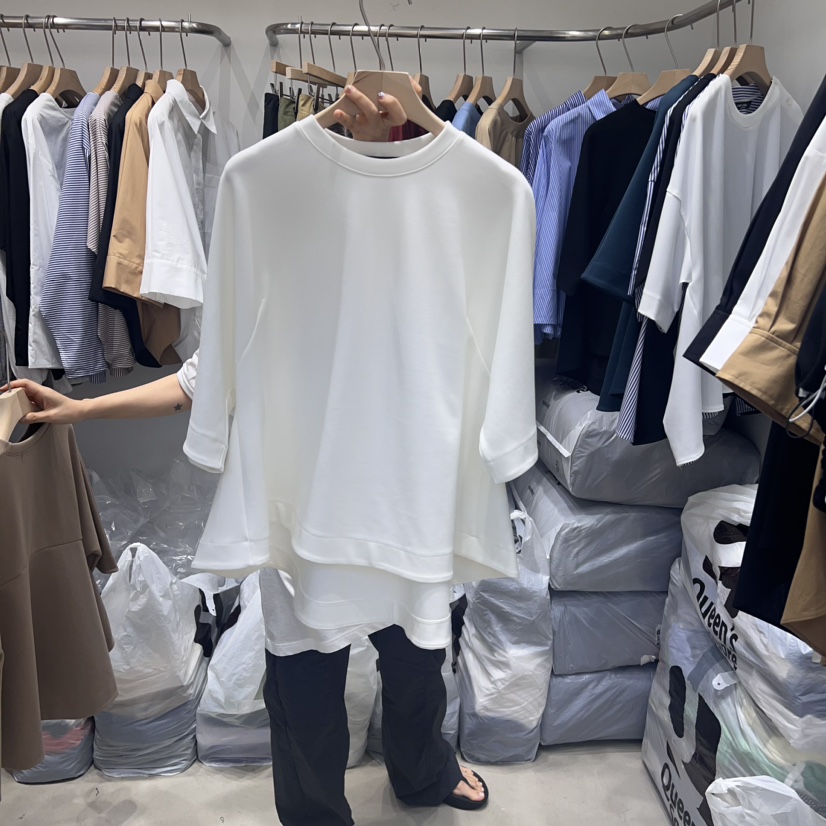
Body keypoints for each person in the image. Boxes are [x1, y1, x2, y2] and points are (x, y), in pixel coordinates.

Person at [8, 83, 488, 825]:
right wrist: (82, 407)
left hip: (408, 518)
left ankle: (423, 773)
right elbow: (196, 383)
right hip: (302, 531)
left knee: (420, 664)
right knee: (305, 694)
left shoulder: (443, 255)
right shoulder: (281, 269)